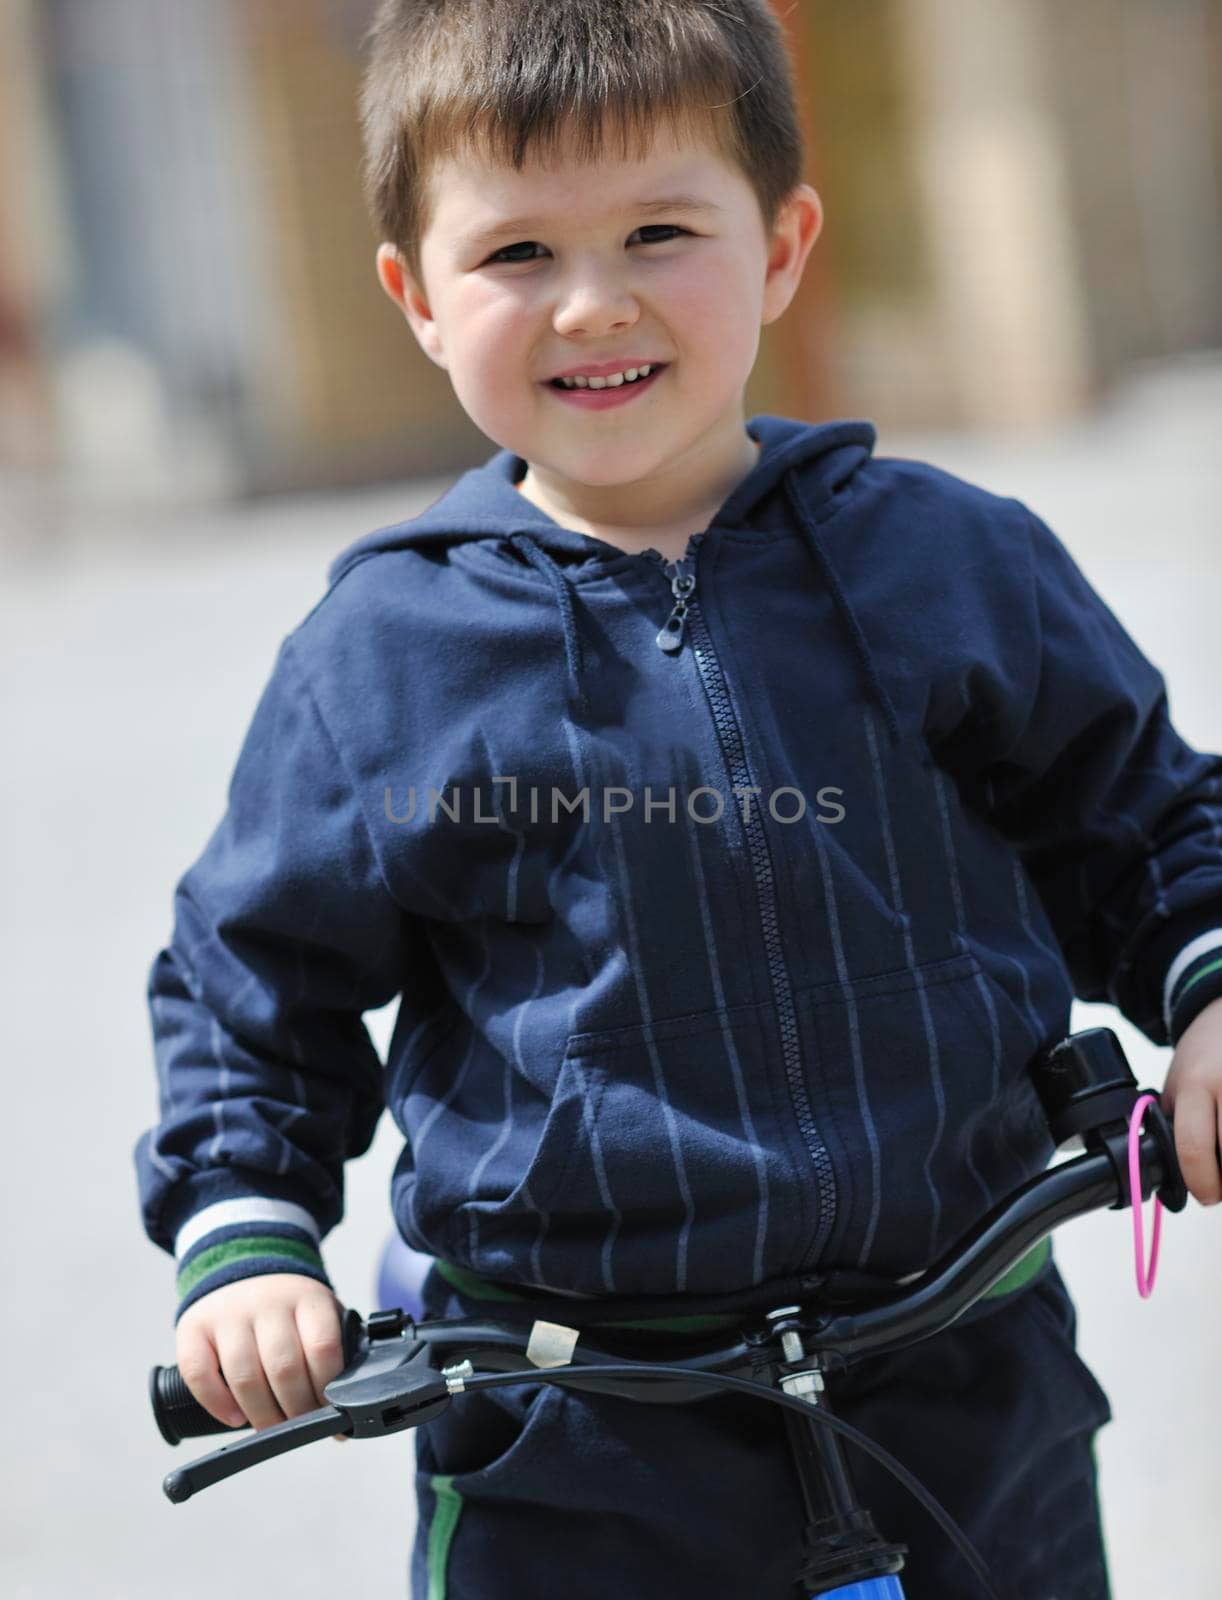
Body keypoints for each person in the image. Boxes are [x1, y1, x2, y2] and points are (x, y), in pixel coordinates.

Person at [135, 2, 1222, 1595]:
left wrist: (1205, 990)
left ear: (780, 246)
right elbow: (251, 987)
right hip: (573, 1421)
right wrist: (243, 1231)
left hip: (960, 1364)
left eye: (659, 229)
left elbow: (1144, 819)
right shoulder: (382, 657)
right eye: (514, 255)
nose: (592, 303)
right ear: (415, 298)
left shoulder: (946, 560)